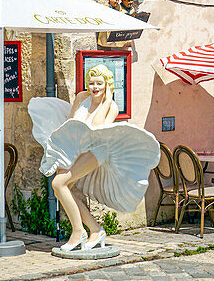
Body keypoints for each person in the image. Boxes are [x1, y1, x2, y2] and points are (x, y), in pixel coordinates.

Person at [29, 65, 160, 252]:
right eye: (91, 83)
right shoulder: (82, 97)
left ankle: (78, 232)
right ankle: (96, 230)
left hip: (98, 151)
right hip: (77, 149)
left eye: (99, 83)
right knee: (64, 191)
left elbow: (98, 129)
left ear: (107, 85)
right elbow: (71, 121)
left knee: (58, 183)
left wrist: (106, 101)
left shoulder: (111, 106)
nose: (94, 87)